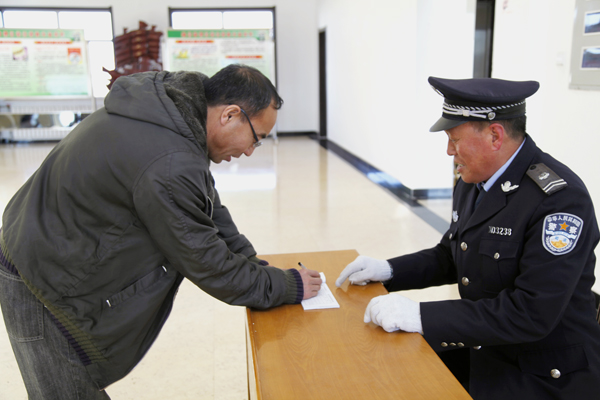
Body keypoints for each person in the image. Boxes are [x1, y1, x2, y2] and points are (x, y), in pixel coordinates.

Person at [0, 64, 322, 399]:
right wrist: (287, 285)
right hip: (40, 277)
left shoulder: (174, 115)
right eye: (256, 138)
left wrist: (251, 261)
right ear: (229, 115)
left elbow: (205, 203)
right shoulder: (170, 159)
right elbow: (208, 263)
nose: (250, 151)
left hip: (47, 243)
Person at [336, 76, 600, 399]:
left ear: (494, 136)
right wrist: (389, 270)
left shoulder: (559, 200)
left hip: (542, 375)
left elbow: (531, 314)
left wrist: (420, 315)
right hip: (487, 348)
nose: (449, 151)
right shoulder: (473, 181)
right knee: (380, 371)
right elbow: (450, 254)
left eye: (454, 139)